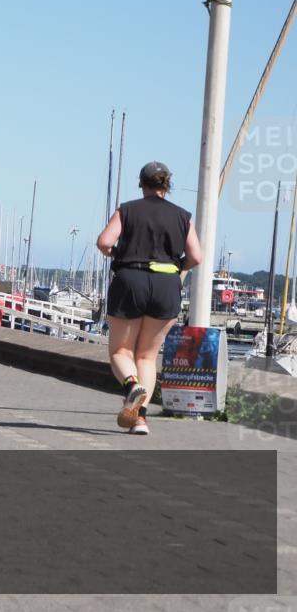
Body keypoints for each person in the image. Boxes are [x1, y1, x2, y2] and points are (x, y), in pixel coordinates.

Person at [96, 161, 203, 436]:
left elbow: (105, 242)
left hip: (131, 279)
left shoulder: (128, 209)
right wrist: (177, 268)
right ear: (167, 185)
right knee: (147, 356)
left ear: (141, 183)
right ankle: (140, 420)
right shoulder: (183, 216)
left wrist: (117, 255)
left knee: (121, 351)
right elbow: (196, 256)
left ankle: (132, 387)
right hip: (167, 283)